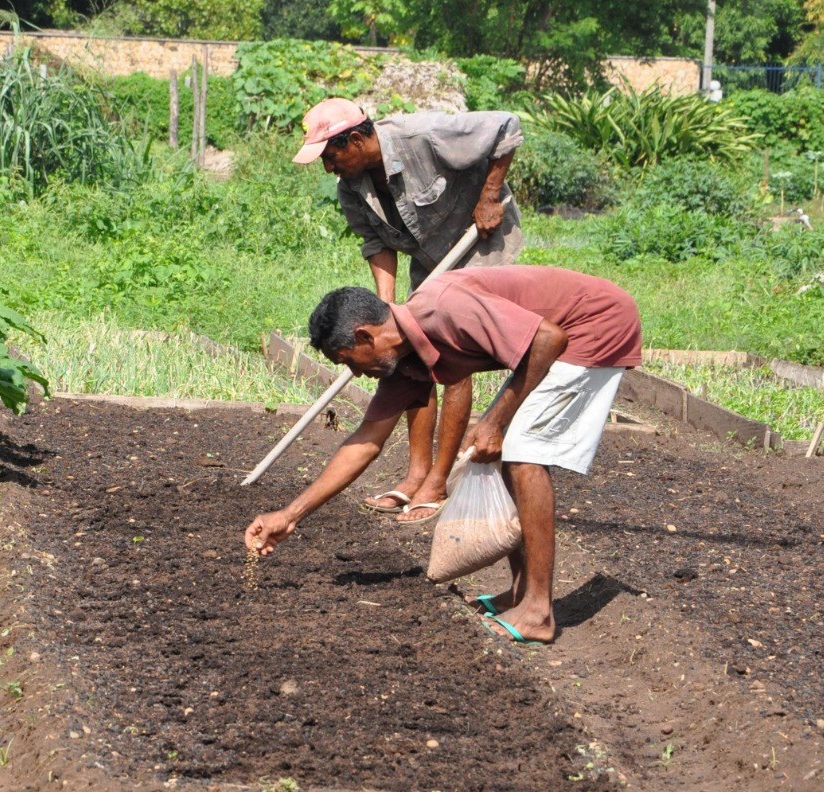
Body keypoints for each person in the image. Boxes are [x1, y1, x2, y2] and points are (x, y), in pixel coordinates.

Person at [242, 265, 642, 645]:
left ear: (365, 337)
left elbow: (549, 338)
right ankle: (521, 594)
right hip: (564, 333)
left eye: (349, 362)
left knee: (524, 454)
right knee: (504, 453)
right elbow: (366, 440)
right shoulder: (404, 361)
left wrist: (496, 420)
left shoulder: (444, 308)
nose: (357, 375)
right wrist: (289, 516)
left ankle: (538, 612)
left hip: (595, 323)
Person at [293, 97, 525, 524]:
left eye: (331, 155)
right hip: (431, 261)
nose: (329, 168)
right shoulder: (352, 187)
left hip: (480, 247)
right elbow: (376, 243)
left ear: (358, 138)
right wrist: (387, 309)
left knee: (453, 356)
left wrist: (490, 195)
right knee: (408, 357)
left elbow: (505, 126)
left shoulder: (423, 135)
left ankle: (437, 483)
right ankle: (414, 474)